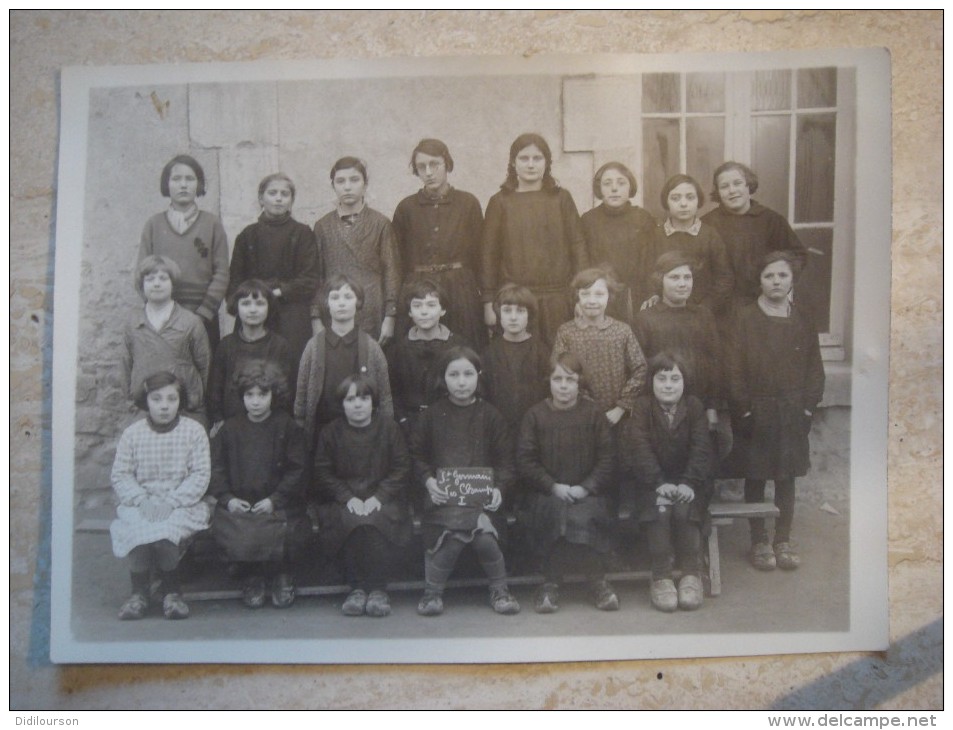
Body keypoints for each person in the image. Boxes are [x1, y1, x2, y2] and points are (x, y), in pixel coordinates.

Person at [726, 251, 825, 571]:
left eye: (782, 275)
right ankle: (759, 540)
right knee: (756, 476)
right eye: (769, 276)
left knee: (787, 477)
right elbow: (734, 370)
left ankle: (783, 539)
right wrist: (743, 412)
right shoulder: (744, 318)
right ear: (759, 281)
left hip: (793, 410)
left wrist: (808, 409)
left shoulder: (804, 318)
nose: (776, 281)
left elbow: (815, 369)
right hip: (757, 410)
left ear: (792, 279)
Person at [409, 346, 520, 617]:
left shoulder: (491, 416)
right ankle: (432, 593)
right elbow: (416, 456)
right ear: (442, 378)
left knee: (484, 538)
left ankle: (500, 590)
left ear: (478, 377)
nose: (461, 382)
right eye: (454, 374)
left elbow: (506, 463)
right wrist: (427, 481)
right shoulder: (430, 416)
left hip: (482, 501)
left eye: (468, 374)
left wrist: (499, 489)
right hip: (443, 500)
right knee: (455, 537)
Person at [517, 352, 617, 613]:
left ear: (579, 383)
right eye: (557, 379)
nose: (563, 385)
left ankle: (598, 582)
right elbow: (526, 461)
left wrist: (586, 487)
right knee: (555, 514)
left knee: (585, 515)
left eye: (570, 380)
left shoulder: (594, 414)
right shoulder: (535, 415)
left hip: (588, 491)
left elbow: (608, 457)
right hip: (547, 492)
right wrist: (553, 486)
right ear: (548, 382)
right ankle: (550, 583)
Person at [109, 371, 211, 620]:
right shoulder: (133, 434)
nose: (164, 406)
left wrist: (171, 501)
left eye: (171, 399)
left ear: (180, 400)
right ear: (146, 401)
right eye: (156, 399)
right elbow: (121, 474)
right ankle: (139, 594)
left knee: (166, 530)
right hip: (142, 501)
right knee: (137, 527)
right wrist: (142, 500)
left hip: (181, 503)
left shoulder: (194, 431)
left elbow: (200, 474)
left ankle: (171, 594)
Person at [209, 360, 307, 609]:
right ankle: (252, 576)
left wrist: (275, 499)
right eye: (249, 395)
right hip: (240, 504)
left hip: (277, 502)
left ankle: (281, 575)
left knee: (284, 530)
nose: (255, 401)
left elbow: (298, 469)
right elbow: (216, 469)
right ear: (241, 396)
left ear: (273, 394)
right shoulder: (229, 429)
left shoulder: (287, 426)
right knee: (241, 533)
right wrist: (228, 499)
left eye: (262, 394)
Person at [313, 374, 413, 618]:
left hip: (383, 497)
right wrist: (348, 498)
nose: (358, 404)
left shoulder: (389, 428)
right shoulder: (330, 432)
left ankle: (378, 589)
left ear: (373, 402)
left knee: (375, 521)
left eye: (364, 398)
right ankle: (356, 588)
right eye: (350, 399)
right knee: (352, 521)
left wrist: (378, 497)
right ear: (342, 404)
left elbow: (401, 467)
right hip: (344, 498)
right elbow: (323, 472)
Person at [481, 133, 589, 348]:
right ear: (513, 162)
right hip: (515, 300)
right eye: (524, 158)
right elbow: (488, 254)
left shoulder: (561, 198)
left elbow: (578, 246)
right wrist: (487, 302)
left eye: (537, 158)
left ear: (547, 163)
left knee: (558, 361)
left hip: (558, 299)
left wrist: (581, 296)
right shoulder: (500, 202)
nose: (531, 165)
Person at [628, 353, 714, 612]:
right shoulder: (642, 407)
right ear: (651, 381)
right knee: (661, 508)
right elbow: (638, 447)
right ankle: (661, 575)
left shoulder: (694, 407)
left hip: (691, 481)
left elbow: (702, 448)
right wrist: (657, 482)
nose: (668, 385)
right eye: (661, 378)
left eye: (675, 379)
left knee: (684, 508)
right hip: (651, 482)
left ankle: (691, 573)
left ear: (685, 382)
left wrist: (688, 482)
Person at [392, 139, 486, 349]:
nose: (428, 172)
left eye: (435, 164)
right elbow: (398, 260)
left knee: (464, 351)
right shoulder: (406, 208)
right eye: (421, 167)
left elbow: (481, 254)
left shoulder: (468, 203)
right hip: (419, 290)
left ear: (447, 164)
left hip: (461, 290)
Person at [633, 251, 727, 453]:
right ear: (660, 281)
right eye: (674, 277)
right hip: (659, 408)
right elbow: (639, 368)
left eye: (687, 277)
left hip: (698, 406)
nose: (683, 283)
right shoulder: (646, 319)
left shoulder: (703, 315)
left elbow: (715, 364)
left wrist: (712, 408)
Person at [228, 172, 320, 372]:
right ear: (261, 198)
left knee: (291, 370)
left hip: (292, 314)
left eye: (284, 194)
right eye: (272, 193)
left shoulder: (303, 234)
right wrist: (253, 299)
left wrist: (277, 292)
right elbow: (235, 281)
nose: (278, 198)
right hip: (254, 312)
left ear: (291, 200)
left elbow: (310, 279)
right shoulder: (247, 236)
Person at [294, 274, 393, 455]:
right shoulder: (314, 346)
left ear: (358, 303)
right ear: (326, 303)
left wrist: (385, 433)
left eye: (348, 297)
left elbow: (385, 397)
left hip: (361, 432)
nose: (341, 303)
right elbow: (301, 395)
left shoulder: (372, 347)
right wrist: (301, 424)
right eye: (335, 297)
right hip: (322, 431)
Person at [138, 154, 229, 346]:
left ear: (199, 184)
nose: (183, 185)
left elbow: (221, 273)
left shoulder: (212, 224)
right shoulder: (154, 225)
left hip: (203, 317)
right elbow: (141, 271)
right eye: (176, 179)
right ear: (166, 185)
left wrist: (203, 313)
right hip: (162, 318)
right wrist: (160, 310)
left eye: (190, 179)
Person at [702, 161, 808, 321]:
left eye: (737, 183)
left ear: (748, 186)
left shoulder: (771, 220)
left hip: (762, 306)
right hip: (721, 309)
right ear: (718, 192)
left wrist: (777, 284)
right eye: (724, 186)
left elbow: (797, 255)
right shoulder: (708, 223)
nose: (732, 191)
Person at [313, 157, 400, 346]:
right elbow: (317, 275)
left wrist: (390, 316)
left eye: (354, 180)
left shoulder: (380, 223)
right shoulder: (322, 226)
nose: (347, 187)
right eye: (340, 181)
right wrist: (316, 318)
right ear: (333, 186)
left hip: (372, 309)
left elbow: (391, 272)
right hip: (335, 308)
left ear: (365, 184)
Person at [552, 267, 647, 431]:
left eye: (599, 294)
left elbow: (640, 369)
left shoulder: (622, 331)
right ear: (577, 297)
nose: (592, 300)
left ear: (610, 296)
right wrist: (585, 407)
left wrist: (621, 408)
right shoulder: (566, 332)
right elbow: (560, 371)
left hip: (617, 418)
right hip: (579, 415)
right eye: (585, 294)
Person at [122, 255, 210, 427]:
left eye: (163, 278)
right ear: (142, 285)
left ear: (173, 284)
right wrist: (130, 402)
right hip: (144, 408)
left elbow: (205, 366)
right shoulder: (133, 323)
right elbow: (126, 364)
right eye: (150, 279)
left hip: (185, 409)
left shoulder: (190, 322)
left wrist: (195, 400)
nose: (156, 283)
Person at [387, 278, 469, 442]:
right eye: (417, 306)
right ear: (410, 312)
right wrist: (403, 420)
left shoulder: (458, 345)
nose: (424, 312)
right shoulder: (399, 349)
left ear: (443, 310)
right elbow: (393, 393)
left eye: (431, 305)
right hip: (410, 425)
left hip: (450, 423)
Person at [207, 280, 294, 433]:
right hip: (231, 424)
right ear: (236, 307)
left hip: (269, 425)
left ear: (269, 307)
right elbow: (216, 388)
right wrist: (218, 419)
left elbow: (286, 392)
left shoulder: (280, 346)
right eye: (246, 304)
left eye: (260, 304)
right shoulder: (226, 345)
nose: (253, 310)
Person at [581, 161, 660, 324]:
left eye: (621, 183)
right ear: (599, 189)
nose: (614, 189)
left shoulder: (643, 219)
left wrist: (651, 293)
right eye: (607, 184)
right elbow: (583, 262)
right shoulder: (588, 220)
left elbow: (651, 260)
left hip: (636, 296)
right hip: (600, 297)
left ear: (630, 187)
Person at [644, 174, 732, 317]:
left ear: (698, 201)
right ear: (666, 202)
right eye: (675, 198)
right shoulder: (655, 236)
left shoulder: (709, 235)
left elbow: (724, 277)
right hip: (664, 313)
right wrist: (653, 295)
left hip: (702, 312)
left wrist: (706, 307)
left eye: (690, 197)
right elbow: (647, 271)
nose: (683, 204)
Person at [481, 283, 551, 447]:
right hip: (500, 432)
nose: (513, 317)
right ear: (499, 314)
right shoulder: (489, 353)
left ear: (530, 315)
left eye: (520, 311)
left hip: (535, 431)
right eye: (507, 311)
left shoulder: (541, 352)